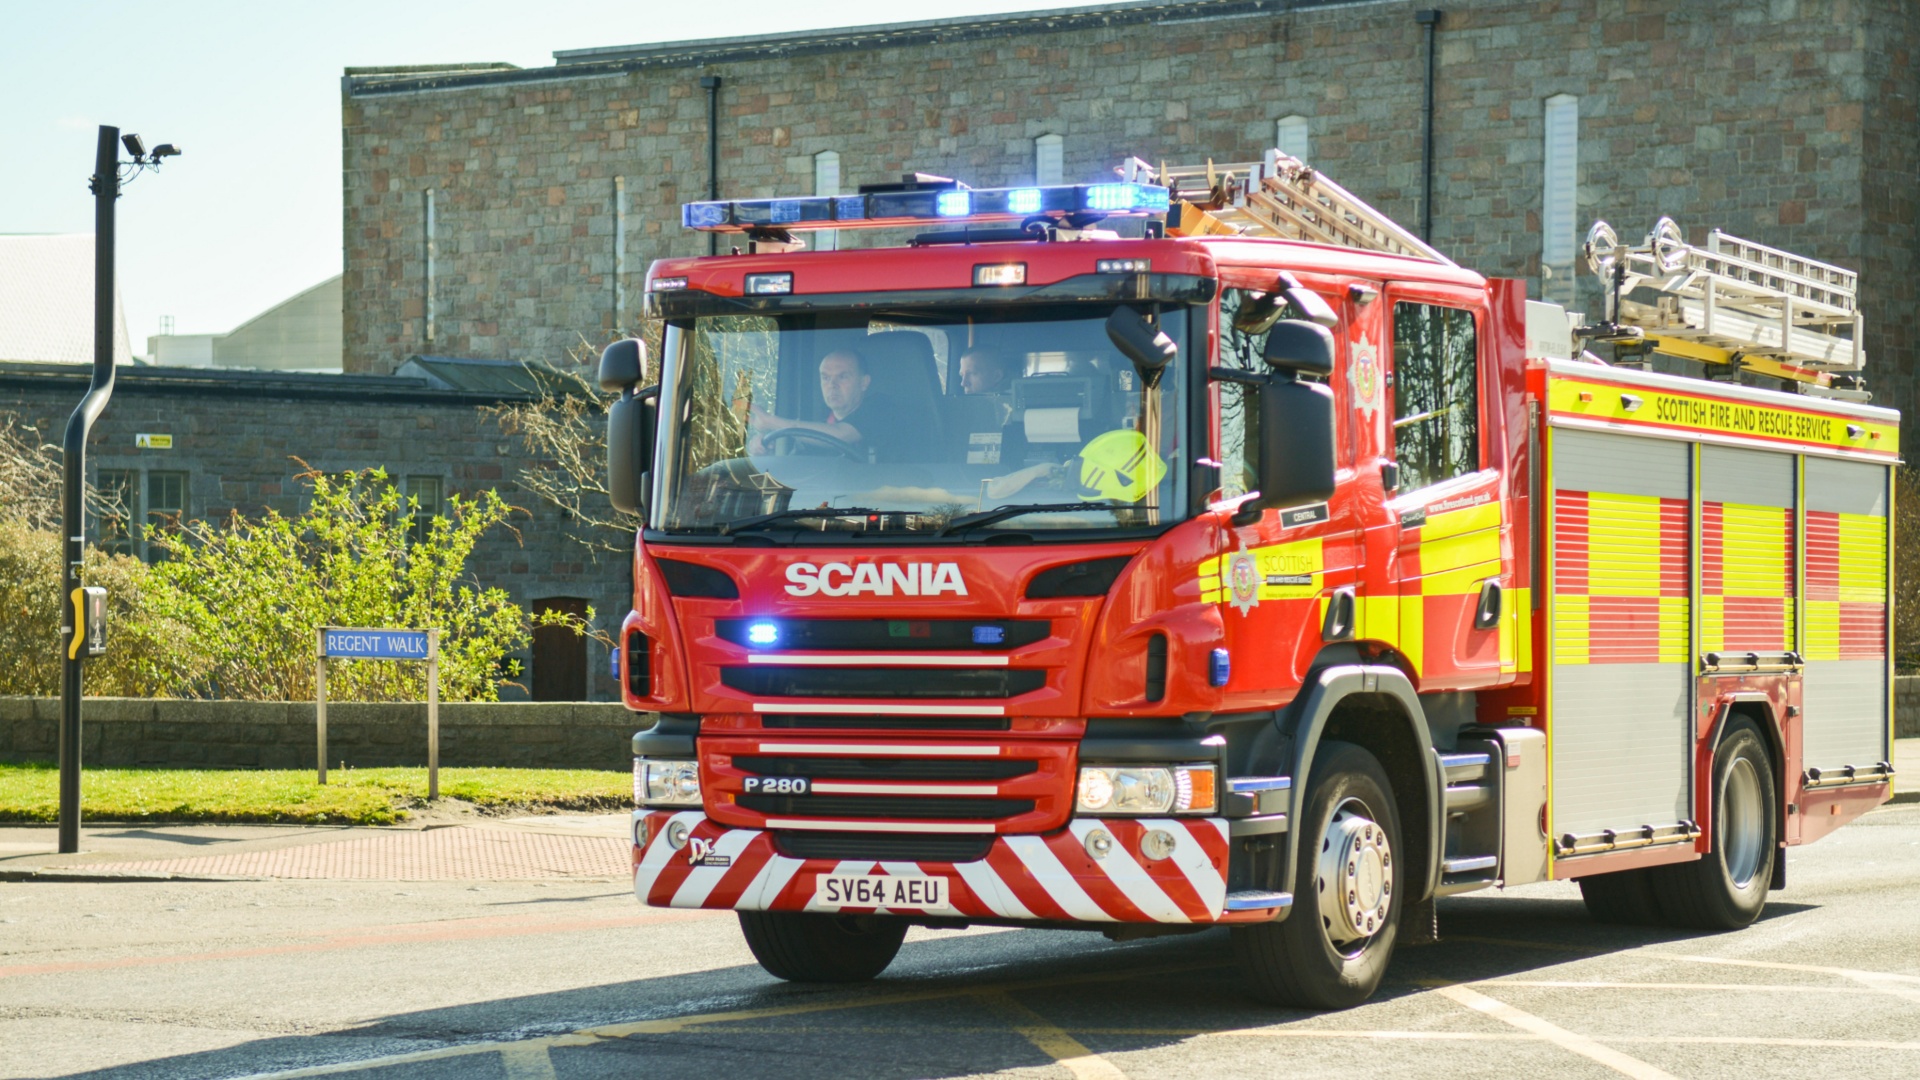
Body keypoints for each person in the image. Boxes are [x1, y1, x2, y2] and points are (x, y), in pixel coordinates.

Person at [748, 348, 910, 460]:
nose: (832, 385)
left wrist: (770, 421)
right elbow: (797, 477)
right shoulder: (816, 426)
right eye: (826, 378)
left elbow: (841, 434)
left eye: (843, 376)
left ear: (864, 382)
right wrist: (767, 454)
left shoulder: (881, 408)